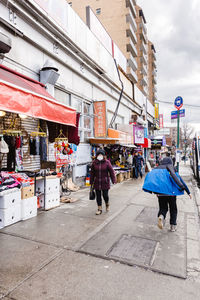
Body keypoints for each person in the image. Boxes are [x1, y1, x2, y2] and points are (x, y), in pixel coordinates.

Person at [142, 157, 191, 232]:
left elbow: (152, 179)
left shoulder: (156, 169)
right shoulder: (171, 169)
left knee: (163, 208)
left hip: (160, 194)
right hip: (171, 194)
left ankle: (161, 216)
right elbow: (179, 181)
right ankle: (173, 226)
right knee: (173, 209)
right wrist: (188, 192)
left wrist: (154, 191)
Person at [90, 149, 116, 215]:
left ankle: (107, 204)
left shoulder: (107, 162)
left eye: (101, 154)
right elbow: (92, 173)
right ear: (97, 155)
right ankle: (99, 209)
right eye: (99, 154)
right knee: (98, 196)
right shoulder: (94, 163)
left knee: (105, 195)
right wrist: (91, 182)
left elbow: (111, 172)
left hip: (105, 182)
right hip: (97, 182)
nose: (100, 156)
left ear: (103, 155)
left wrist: (113, 180)